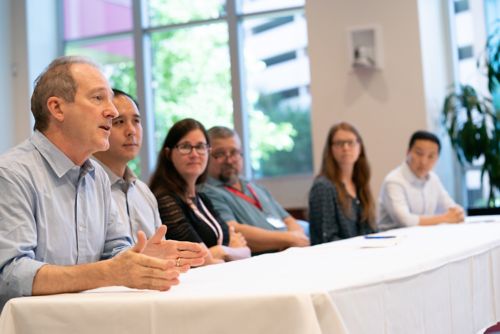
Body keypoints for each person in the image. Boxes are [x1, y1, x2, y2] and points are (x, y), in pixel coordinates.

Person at [0, 56, 205, 310]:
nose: (113, 111)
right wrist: (109, 272)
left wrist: (144, 259)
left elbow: (115, 250)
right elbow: (10, 276)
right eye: (98, 98)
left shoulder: (97, 175)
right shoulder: (10, 174)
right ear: (57, 108)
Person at [149, 118, 250, 265]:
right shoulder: (165, 200)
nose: (194, 154)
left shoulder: (202, 198)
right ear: (168, 153)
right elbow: (201, 259)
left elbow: (246, 250)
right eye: (185, 146)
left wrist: (222, 251)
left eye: (201, 147)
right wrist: (225, 251)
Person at [199, 126, 310, 254]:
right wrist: (289, 239)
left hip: (288, 252)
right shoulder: (206, 192)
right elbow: (233, 231)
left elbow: (288, 219)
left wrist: (294, 242)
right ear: (206, 155)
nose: (229, 160)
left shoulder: (253, 186)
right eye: (220, 154)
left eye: (234, 152)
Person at [93, 89, 161, 241]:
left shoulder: (143, 191)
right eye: (119, 122)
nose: (131, 131)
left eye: (136, 121)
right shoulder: (84, 188)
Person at [378, 130, 465, 231]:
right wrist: (445, 218)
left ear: (437, 158)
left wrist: (458, 212)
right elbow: (405, 221)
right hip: (394, 242)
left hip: (422, 239)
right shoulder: (394, 181)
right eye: (419, 153)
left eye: (431, 156)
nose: (424, 161)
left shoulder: (433, 179)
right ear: (408, 152)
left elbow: (451, 207)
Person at [308, 122, 376, 244]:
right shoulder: (323, 187)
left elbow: (371, 230)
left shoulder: (360, 184)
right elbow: (327, 239)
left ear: (359, 147)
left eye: (350, 142)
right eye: (339, 143)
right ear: (330, 149)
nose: (345, 148)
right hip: (338, 258)